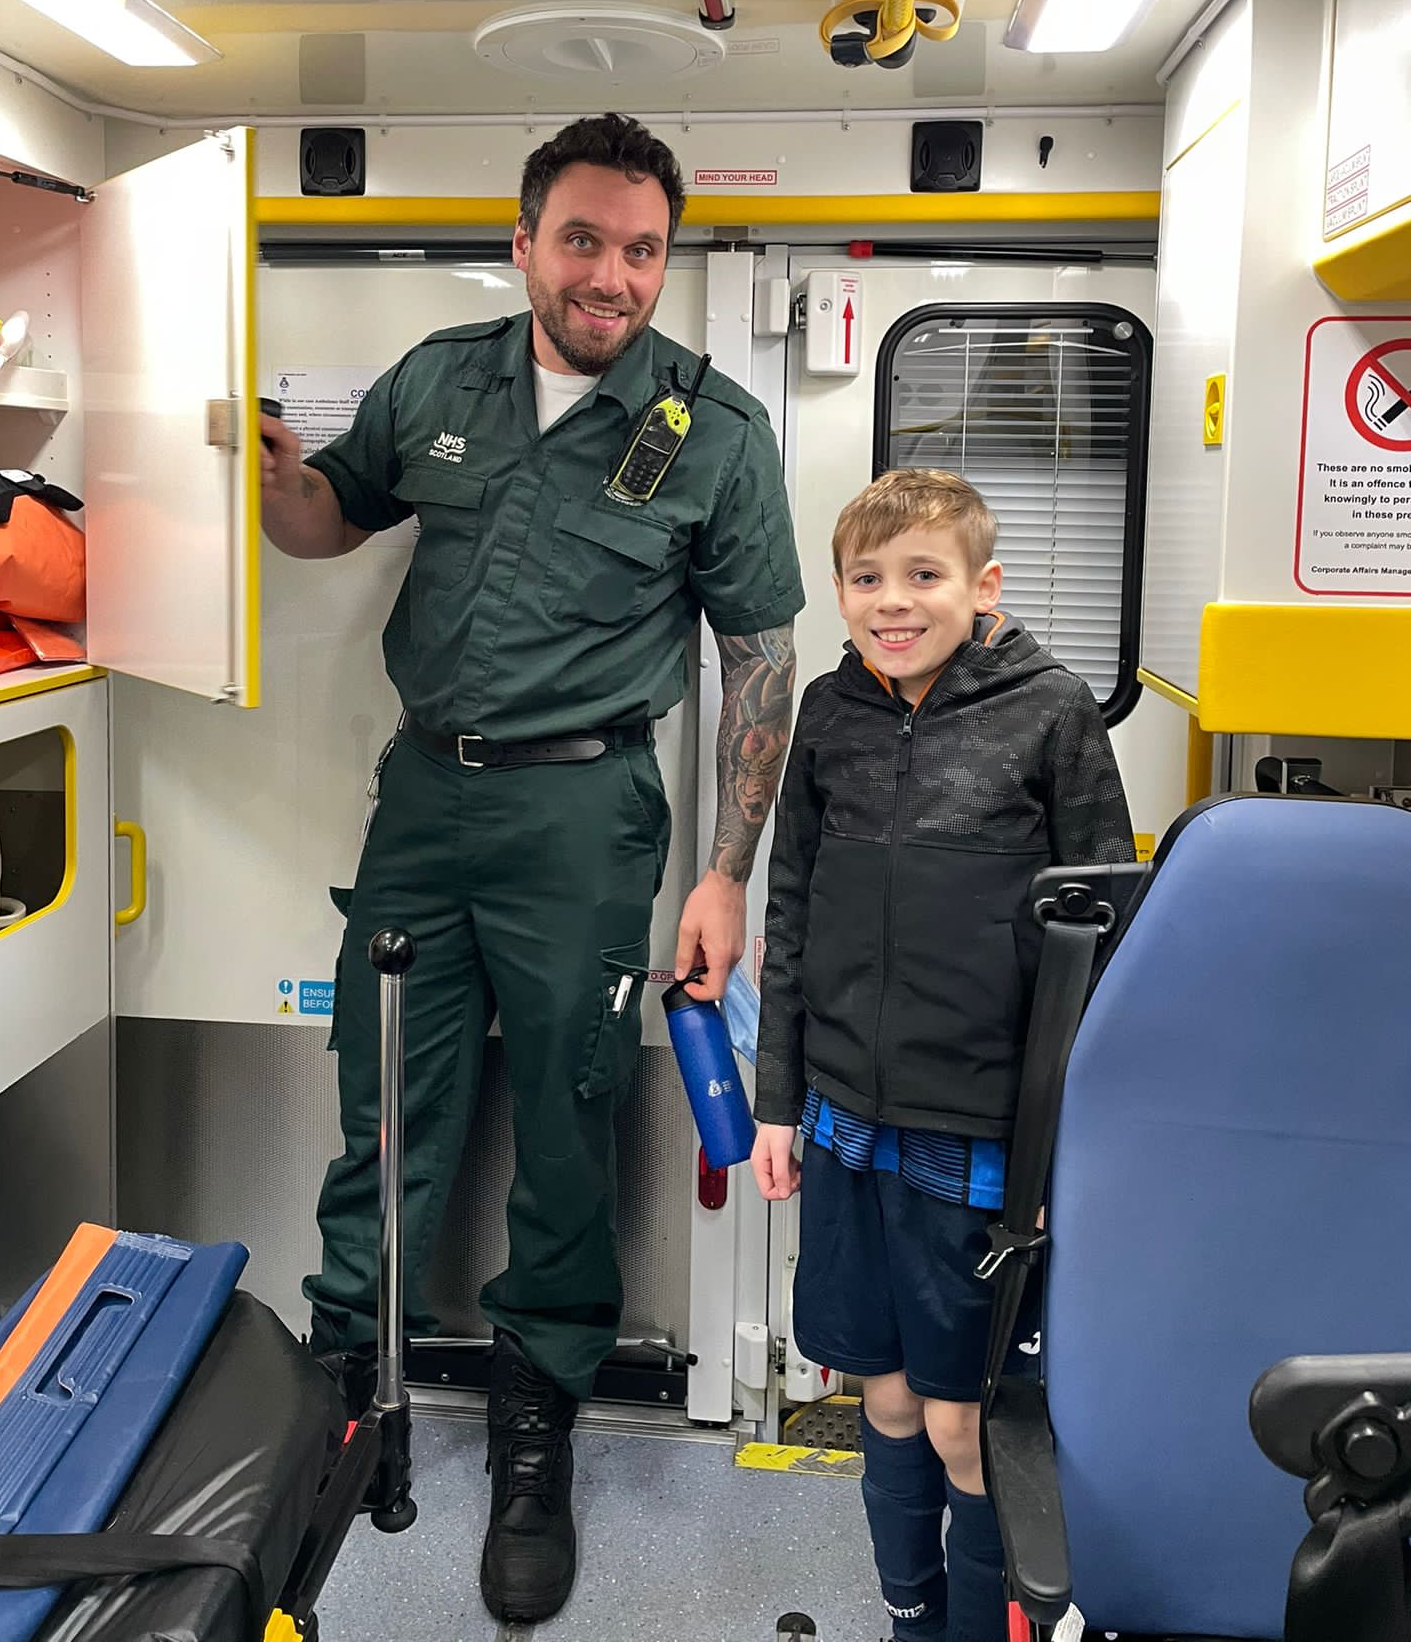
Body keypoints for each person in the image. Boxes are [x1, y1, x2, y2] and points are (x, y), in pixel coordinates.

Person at [259, 112, 803, 1625]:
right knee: (384, 1087)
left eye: (641, 249)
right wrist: (266, 476)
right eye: (583, 239)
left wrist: (726, 872)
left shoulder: (714, 430)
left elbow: (761, 662)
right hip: (423, 795)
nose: (611, 274)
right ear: (524, 243)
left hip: (586, 811)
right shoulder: (440, 378)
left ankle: (534, 1421)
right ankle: (341, 1374)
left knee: (569, 1108)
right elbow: (328, 521)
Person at [751, 468, 1132, 1642]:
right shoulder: (829, 711)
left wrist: (1071, 1149)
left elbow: (1103, 942)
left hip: (977, 1134)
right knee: (886, 1395)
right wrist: (777, 1100)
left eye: (924, 574)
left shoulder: (1052, 711)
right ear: (840, 591)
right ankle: (909, 1617)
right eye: (866, 577)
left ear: (984, 585)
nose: (893, 600)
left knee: (965, 1417)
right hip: (844, 1121)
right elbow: (791, 909)